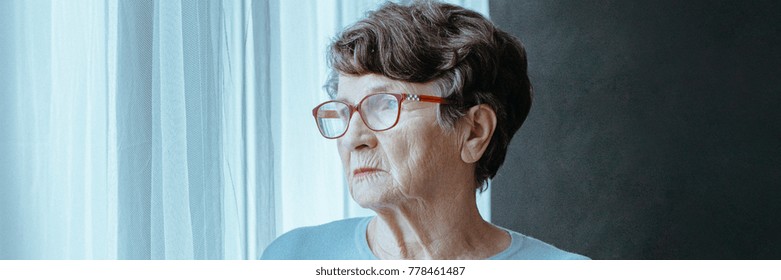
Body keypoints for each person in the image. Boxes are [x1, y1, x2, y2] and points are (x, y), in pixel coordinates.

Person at [261, 1, 588, 260]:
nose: (351, 138)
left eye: (384, 104)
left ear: (474, 132)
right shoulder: (291, 258)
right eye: (345, 110)